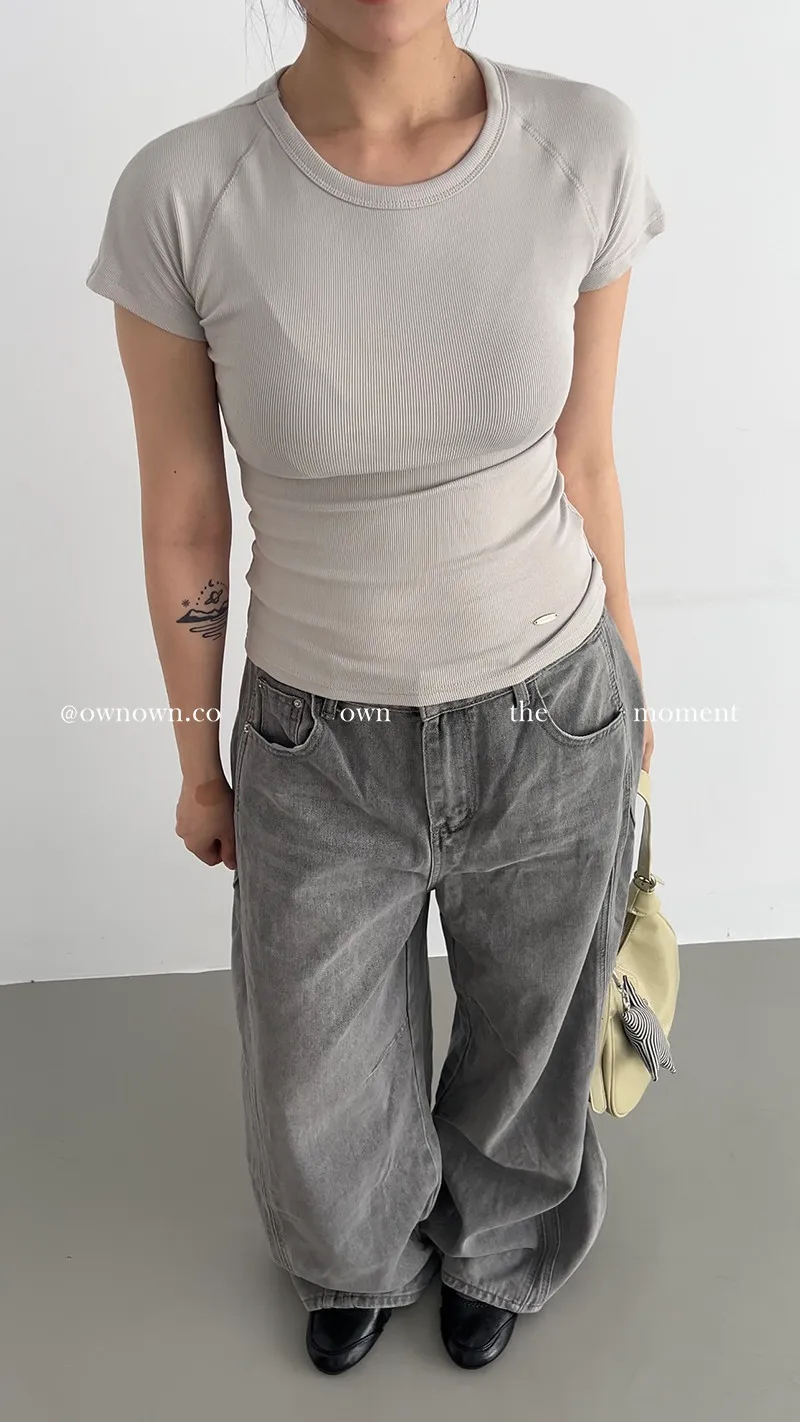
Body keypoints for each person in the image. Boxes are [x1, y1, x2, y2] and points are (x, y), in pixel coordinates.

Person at [85, 0, 665, 1379]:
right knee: (316, 1071)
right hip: (316, 736)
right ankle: (355, 1255)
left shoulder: (582, 146)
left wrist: (634, 688)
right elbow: (184, 517)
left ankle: (500, 1245)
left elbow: (586, 454)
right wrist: (198, 761)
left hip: (553, 706)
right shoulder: (185, 192)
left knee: (535, 1030)